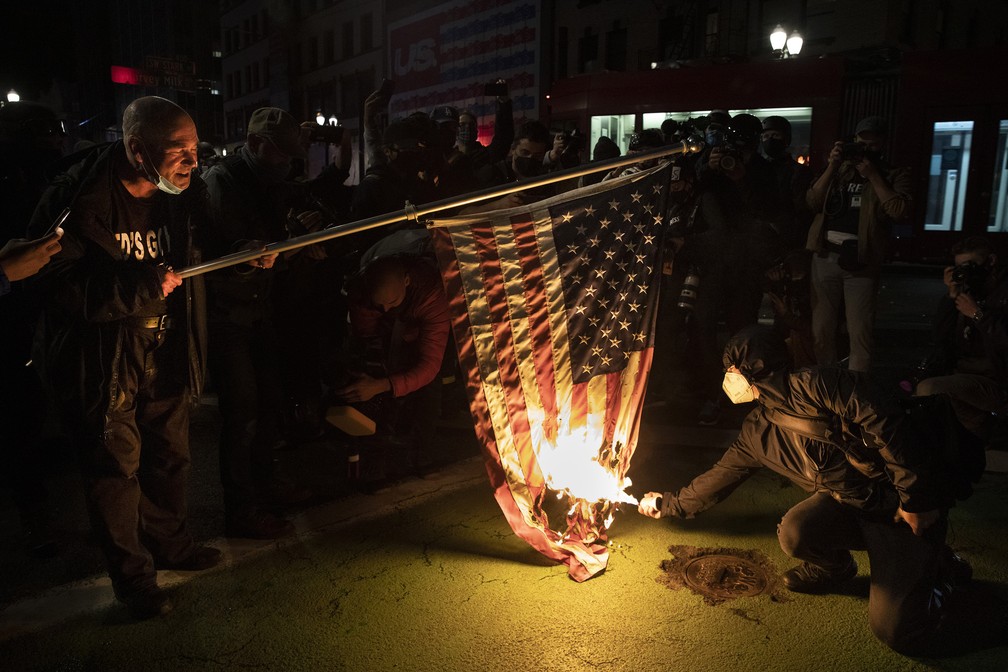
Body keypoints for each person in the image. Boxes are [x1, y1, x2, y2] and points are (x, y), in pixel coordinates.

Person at [638, 325, 973, 655]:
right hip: (848, 505)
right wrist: (668, 504)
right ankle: (836, 568)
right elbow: (720, 476)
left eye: (732, 368)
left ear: (752, 369)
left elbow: (887, 423)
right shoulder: (758, 430)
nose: (728, 378)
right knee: (795, 533)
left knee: (896, 632)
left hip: (899, 510)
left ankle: (940, 570)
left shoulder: (820, 384)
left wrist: (917, 498)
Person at [26, 96, 218, 619]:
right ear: (137, 149)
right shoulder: (77, 198)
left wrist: (249, 255)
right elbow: (52, 284)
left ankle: (172, 546)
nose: (192, 161)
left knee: (170, 452)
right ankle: (133, 579)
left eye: (195, 148)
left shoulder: (181, 193)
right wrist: (138, 289)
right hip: (102, 354)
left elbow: (210, 245)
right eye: (179, 150)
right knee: (114, 466)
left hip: (165, 342)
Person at [202, 107, 321, 540]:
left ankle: (265, 486)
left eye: (291, 155)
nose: (288, 162)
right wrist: (249, 254)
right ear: (254, 145)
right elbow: (219, 249)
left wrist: (299, 237)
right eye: (280, 154)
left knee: (269, 402)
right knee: (242, 413)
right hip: (227, 314)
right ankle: (241, 509)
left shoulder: (273, 183)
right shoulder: (222, 180)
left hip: (259, 310)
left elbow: (273, 246)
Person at [806, 115, 911, 373]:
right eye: (861, 143)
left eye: (872, 145)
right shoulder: (839, 171)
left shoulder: (893, 174)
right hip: (825, 256)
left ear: (883, 144)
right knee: (821, 330)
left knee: (860, 333)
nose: (865, 149)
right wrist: (832, 166)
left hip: (862, 261)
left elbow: (899, 211)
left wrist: (874, 176)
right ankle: (828, 384)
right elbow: (812, 201)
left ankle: (855, 392)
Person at [337, 254, 451, 479]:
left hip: (418, 337)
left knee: (428, 386)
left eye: (392, 302)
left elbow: (429, 364)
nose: (386, 309)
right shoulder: (362, 293)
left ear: (406, 282)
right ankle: (374, 462)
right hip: (384, 336)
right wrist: (373, 377)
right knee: (366, 388)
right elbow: (367, 337)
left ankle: (421, 455)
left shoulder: (432, 296)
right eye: (380, 305)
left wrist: (385, 385)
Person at [915, 236, 1008, 462]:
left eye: (969, 266)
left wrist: (978, 315)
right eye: (959, 268)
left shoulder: (1002, 292)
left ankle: (977, 433)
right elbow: (939, 336)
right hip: (965, 375)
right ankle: (974, 434)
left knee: (929, 388)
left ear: (991, 261)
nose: (964, 273)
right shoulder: (969, 290)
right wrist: (951, 296)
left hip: (996, 380)